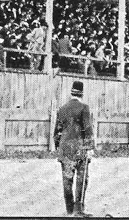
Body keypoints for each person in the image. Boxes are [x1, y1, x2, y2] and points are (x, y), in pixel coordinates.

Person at [54, 81, 94, 217]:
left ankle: (69, 210)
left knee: (67, 178)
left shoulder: (62, 108)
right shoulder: (84, 108)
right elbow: (87, 128)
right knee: (81, 179)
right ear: (81, 93)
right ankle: (79, 210)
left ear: (71, 93)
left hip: (65, 148)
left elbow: (57, 132)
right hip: (79, 147)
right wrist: (89, 148)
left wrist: (58, 148)